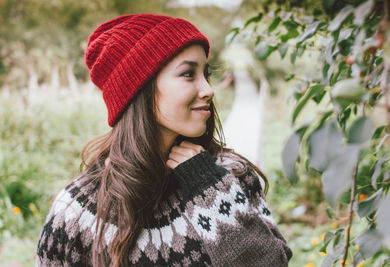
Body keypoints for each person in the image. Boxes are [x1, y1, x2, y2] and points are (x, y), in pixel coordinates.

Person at [36, 13, 292, 266]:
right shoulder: (78, 212)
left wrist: (210, 189)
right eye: (188, 74)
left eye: (206, 74)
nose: (209, 90)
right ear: (140, 89)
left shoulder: (230, 176)